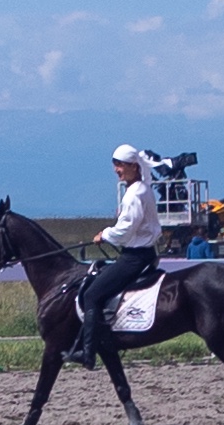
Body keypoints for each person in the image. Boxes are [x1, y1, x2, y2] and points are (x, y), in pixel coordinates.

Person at [71, 144, 167, 369]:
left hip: (136, 257)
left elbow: (125, 230)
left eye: (120, 165)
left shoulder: (135, 194)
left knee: (93, 294)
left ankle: (88, 352)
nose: (116, 169)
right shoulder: (140, 188)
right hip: (140, 253)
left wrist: (105, 234)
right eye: (115, 165)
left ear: (134, 166)